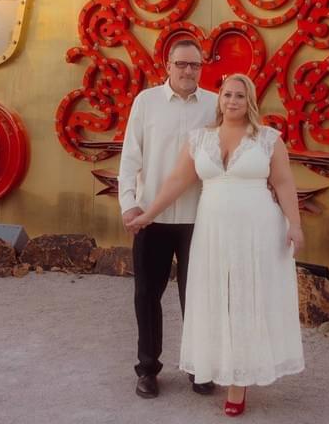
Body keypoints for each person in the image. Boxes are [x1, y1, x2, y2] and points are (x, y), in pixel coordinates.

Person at [128, 73, 305, 417]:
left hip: (258, 232)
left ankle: (238, 385)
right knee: (215, 300)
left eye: (240, 96)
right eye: (227, 95)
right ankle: (216, 365)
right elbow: (177, 181)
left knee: (245, 300)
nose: (232, 101)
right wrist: (148, 213)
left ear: (249, 101)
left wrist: (295, 226)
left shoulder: (268, 139)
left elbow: (283, 183)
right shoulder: (199, 139)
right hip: (212, 233)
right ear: (219, 99)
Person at [117, 38, 218, 399]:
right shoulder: (146, 103)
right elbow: (131, 158)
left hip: (199, 219)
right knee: (147, 295)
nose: (189, 71)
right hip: (151, 218)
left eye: (195, 65)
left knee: (197, 298)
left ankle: (198, 368)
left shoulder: (214, 105)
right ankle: (147, 369)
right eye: (182, 64)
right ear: (168, 65)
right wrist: (129, 204)